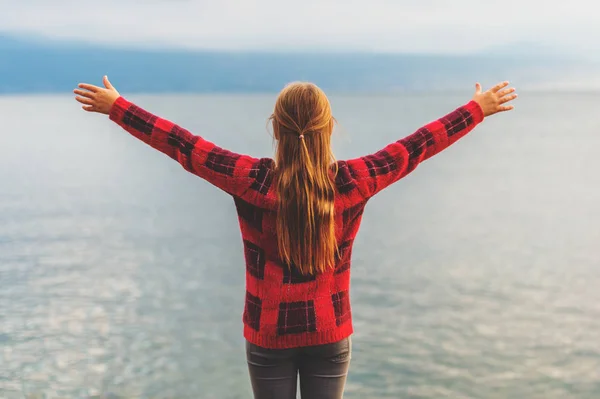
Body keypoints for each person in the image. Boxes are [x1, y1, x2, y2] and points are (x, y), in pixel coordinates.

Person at [74, 77, 517, 399]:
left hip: (268, 334)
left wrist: (117, 106)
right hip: (330, 331)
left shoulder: (251, 179)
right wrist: (477, 108)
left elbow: (184, 146)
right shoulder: (353, 181)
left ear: (276, 127)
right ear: (329, 127)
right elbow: (416, 146)